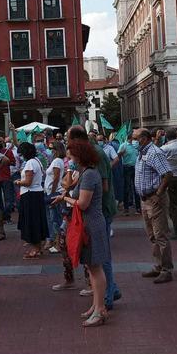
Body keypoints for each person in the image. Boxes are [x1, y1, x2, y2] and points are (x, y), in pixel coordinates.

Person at [62, 138, 110, 326]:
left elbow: (83, 203)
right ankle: (96, 305)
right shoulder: (85, 173)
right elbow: (70, 186)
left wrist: (67, 199)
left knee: (95, 267)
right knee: (91, 267)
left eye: (72, 156)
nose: (70, 160)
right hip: (89, 224)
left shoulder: (89, 174)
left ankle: (100, 309)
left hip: (92, 224)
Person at [133, 128, 173, 283]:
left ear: (144, 138)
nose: (133, 141)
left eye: (135, 138)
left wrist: (159, 193)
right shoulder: (142, 153)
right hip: (145, 199)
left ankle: (166, 269)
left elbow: (167, 174)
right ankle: (158, 265)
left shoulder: (154, 152)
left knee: (160, 235)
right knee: (152, 235)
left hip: (154, 199)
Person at [16, 142, 48, 258]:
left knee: (31, 222)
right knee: (36, 221)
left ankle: (35, 249)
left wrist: (18, 182)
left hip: (30, 194)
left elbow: (28, 182)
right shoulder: (37, 161)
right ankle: (37, 247)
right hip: (37, 193)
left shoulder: (30, 163)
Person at [45, 142, 66, 247]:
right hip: (52, 190)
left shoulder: (57, 161)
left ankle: (58, 242)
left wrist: (52, 192)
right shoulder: (57, 161)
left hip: (55, 191)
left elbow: (56, 177)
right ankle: (57, 241)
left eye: (52, 148)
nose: (51, 150)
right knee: (55, 217)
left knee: (55, 218)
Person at [119, 134, 139, 214]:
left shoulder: (137, 145)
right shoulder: (123, 145)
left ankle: (138, 208)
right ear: (130, 139)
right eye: (134, 139)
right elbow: (118, 156)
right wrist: (121, 153)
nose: (135, 140)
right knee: (126, 188)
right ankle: (126, 208)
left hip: (135, 168)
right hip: (126, 168)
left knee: (136, 188)